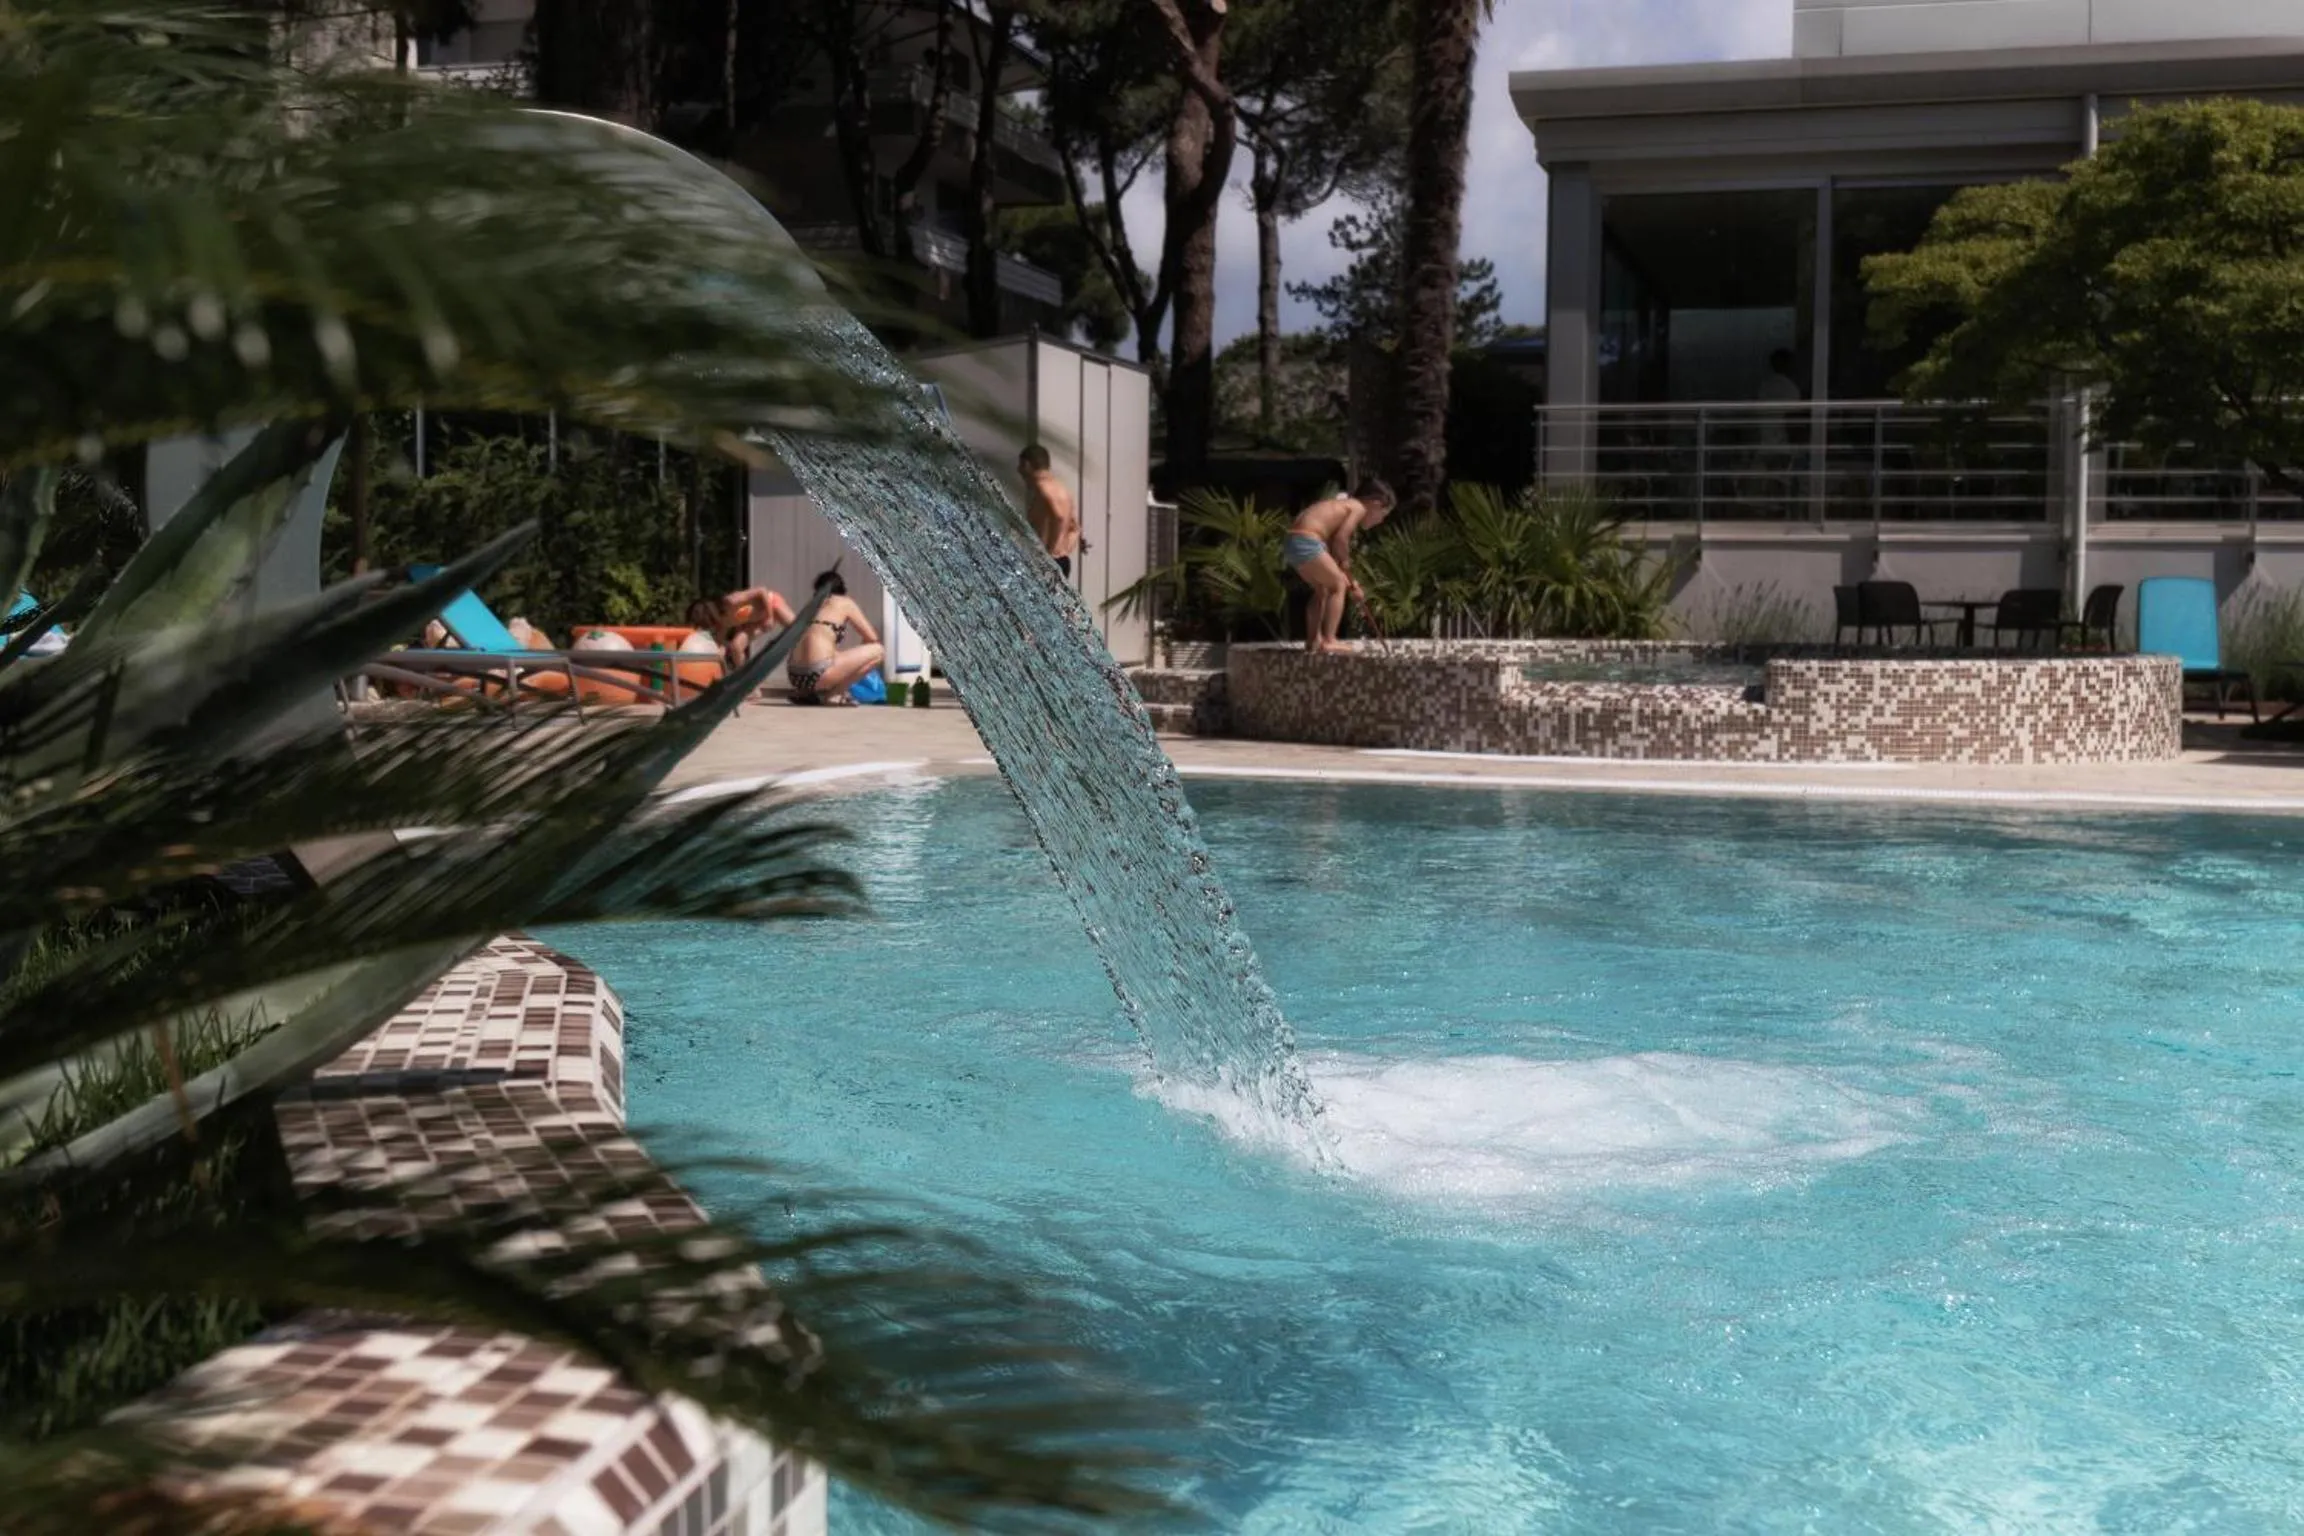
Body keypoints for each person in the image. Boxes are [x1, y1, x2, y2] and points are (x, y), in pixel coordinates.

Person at [1281, 479, 1396, 655]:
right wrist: (1346, 563)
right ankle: (1329, 640)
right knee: (1338, 585)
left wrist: (1352, 581)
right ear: (1375, 504)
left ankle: (1313, 641)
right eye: (1383, 515)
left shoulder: (1339, 507)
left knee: (1322, 589)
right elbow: (1341, 539)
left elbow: (1331, 551)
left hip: (1293, 542)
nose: (1380, 521)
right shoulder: (1357, 507)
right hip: (1307, 540)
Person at [785, 570, 885, 705]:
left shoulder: (812, 605)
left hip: (795, 676)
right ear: (842, 588)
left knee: (828, 655)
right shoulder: (844, 602)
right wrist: (853, 668)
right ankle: (836, 694)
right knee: (878, 651)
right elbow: (872, 638)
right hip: (818, 674)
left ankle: (806, 692)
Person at [685, 585, 796, 672]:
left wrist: (770, 616)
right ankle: (751, 687)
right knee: (736, 647)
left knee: (799, 630)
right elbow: (719, 644)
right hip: (755, 622)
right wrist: (719, 652)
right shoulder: (721, 623)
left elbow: (762, 590)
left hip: (770, 605)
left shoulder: (731, 600)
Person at [1019, 443, 1080, 579]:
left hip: (1049, 561)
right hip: (1062, 560)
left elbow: (1058, 517)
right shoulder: (1063, 490)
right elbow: (1075, 528)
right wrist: (1064, 550)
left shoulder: (1043, 490)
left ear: (1027, 465)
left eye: (1020, 466)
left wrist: (1050, 553)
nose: (1019, 471)